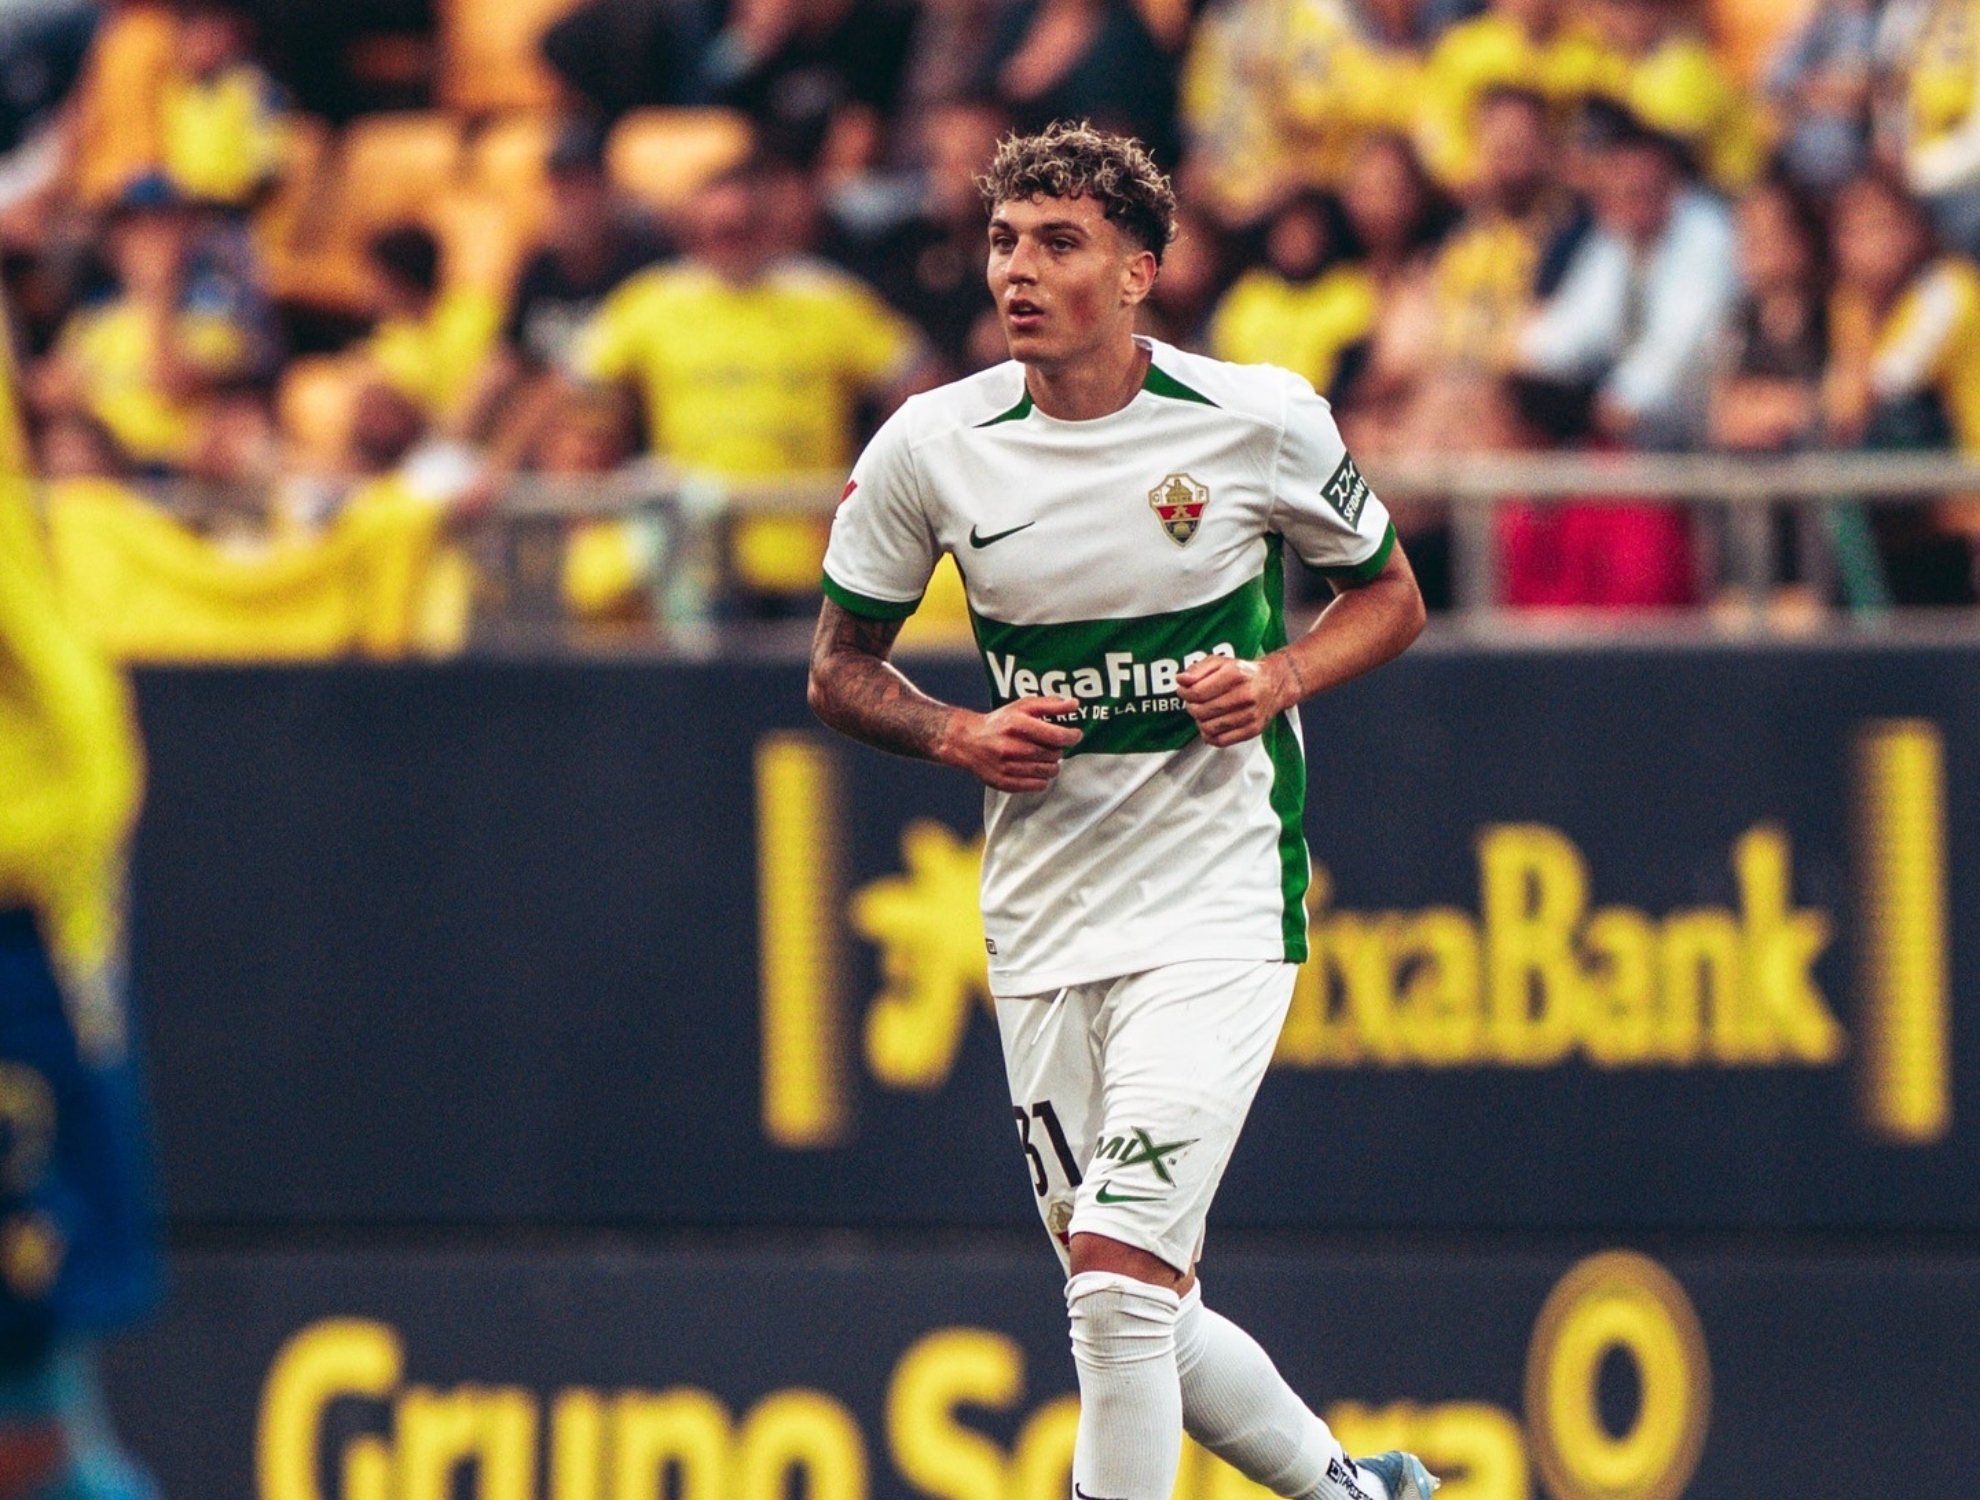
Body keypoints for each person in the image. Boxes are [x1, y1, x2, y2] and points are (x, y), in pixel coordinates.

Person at [807, 121, 1433, 1500]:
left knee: (1112, 1287)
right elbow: (839, 670)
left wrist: (1279, 675)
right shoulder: (933, 445)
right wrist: (957, 729)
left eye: (1059, 243)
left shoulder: (1258, 421)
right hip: (1042, 920)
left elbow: (1390, 594)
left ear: (1140, 272)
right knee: (1145, 1298)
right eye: (1003, 241)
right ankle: (1360, 1493)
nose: (1017, 271)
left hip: (1214, 907)